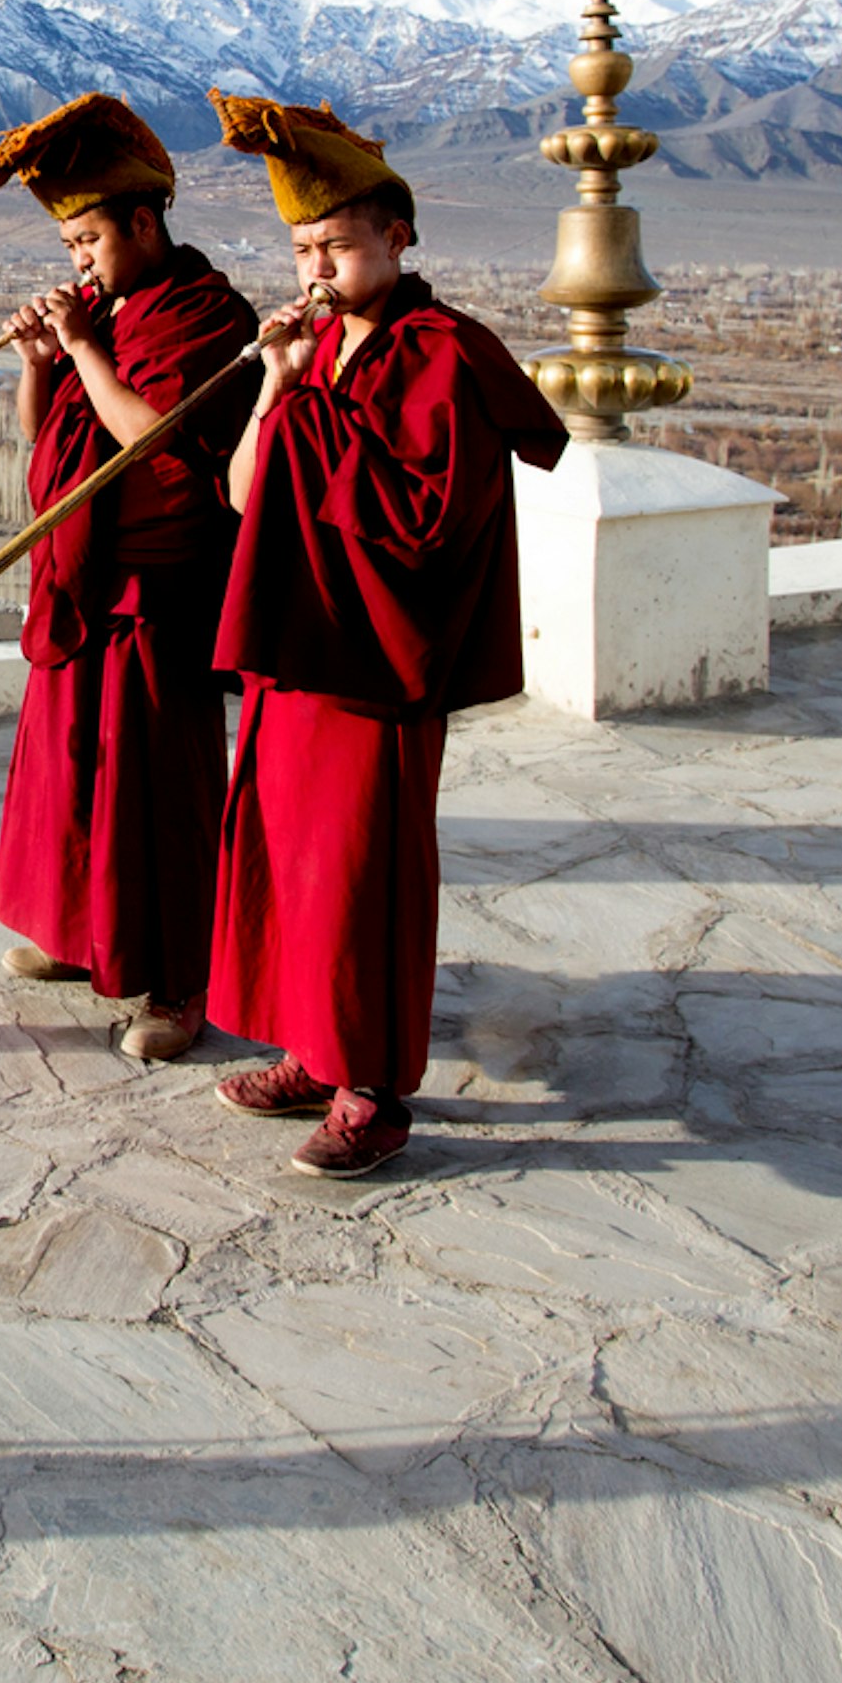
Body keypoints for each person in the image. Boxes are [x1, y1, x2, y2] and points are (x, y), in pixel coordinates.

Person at [201, 93, 567, 1175]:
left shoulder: (443, 354)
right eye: (303, 250)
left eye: (340, 247)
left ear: (397, 239)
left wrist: (318, 417)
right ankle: (311, 1052)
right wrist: (277, 388)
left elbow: (431, 521)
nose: (318, 270)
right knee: (289, 863)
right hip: (296, 651)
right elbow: (243, 494)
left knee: (362, 875)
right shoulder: (312, 357)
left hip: (377, 658)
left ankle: (374, 1091)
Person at [0, 93, 258, 1063]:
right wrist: (39, 361)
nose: (79, 262)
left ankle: (179, 985)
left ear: (145, 222)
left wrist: (85, 348)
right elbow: (47, 439)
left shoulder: (209, 316)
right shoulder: (109, 311)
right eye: (67, 247)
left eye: (88, 237)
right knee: (73, 785)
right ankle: (84, 940)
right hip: (81, 587)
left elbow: (157, 440)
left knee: (158, 799)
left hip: (157, 601)